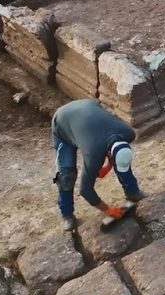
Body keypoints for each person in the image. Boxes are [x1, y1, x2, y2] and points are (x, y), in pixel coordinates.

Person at [51, 99, 145, 231]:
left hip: (89, 110)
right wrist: (108, 210)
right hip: (62, 122)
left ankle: (133, 192)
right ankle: (66, 214)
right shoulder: (93, 152)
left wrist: (107, 166)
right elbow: (85, 190)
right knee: (66, 176)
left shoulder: (128, 133)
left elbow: (117, 153)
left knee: (122, 161)